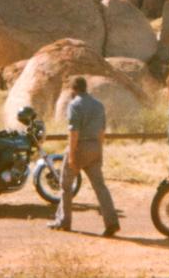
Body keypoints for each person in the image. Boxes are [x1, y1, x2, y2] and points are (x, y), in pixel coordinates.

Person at [47, 77, 120, 237]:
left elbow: (74, 133)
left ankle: (64, 221)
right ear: (85, 88)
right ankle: (112, 222)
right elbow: (102, 131)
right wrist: (99, 151)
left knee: (65, 185)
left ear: (73, 90)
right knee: (100, 187)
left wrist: (72, 155)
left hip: (79, 147)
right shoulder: (98, 105)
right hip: (95, 146)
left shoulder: (74, 105)